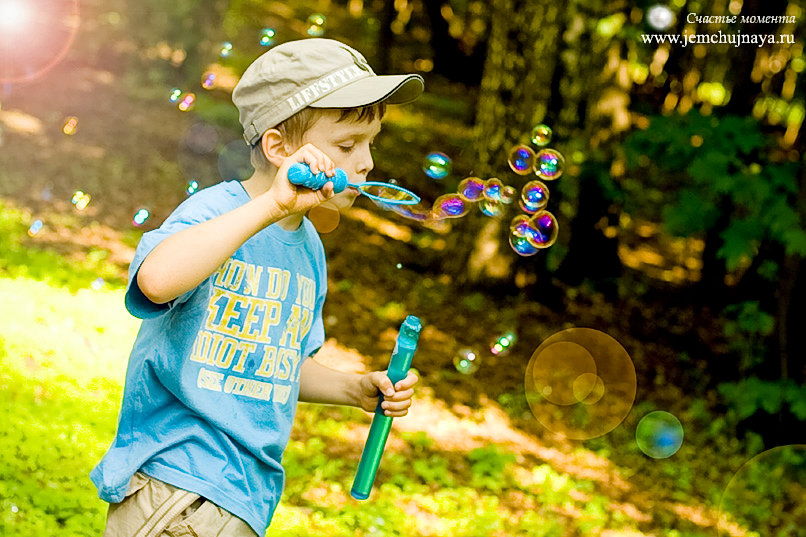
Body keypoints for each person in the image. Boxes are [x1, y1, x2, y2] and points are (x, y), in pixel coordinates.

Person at [91, 38, 425, 537]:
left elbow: (285, 364)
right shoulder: (216, 215)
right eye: (348, 145)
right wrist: (271, 206)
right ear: (278, 148)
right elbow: (156, 282)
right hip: (179, 486)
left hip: (246, 494)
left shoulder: (308, 249)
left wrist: (354, 387)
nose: (367, 162)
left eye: (371, 142)